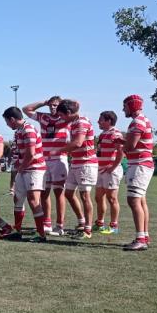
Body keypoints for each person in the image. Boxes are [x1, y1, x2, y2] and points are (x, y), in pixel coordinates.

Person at [23, 95, 68, 235]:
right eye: (51, 105)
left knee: (59, 192)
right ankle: (47, 223)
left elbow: (76, 108)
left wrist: (64, 105)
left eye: (55, 105)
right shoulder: (43, 117)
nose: (52, 107)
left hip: (59, 158)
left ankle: (59, 226)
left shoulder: (65, 118)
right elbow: (26, 109)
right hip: (45, 159)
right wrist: (44, 102)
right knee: (44, 192)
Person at [2, 106, 48, 241]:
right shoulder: (19, 131)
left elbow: (31, 153)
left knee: (33, 200)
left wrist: (21, 167)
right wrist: (18, 165)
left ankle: (41, 235)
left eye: (7, 122)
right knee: (18, 199)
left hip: (34, 169)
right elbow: (21, 153)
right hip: (24, 169)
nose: (7, 125)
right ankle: (17, 231)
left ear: (12, 119)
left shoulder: (28, 129)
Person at [58, 99, 98, 239]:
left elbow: (78, 143)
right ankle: (82, 222)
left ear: (69, 112)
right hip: (76, 163)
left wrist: (58, 151)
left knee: (85, 196)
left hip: (86, 163)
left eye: (62, 115)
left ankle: (87, 230)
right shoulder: (74, 122)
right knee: (68, 193)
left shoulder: (82, 122)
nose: (61, 118)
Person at [122, 94, 154, 251]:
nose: (123, 110)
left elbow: (131, 146)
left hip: (140, 165)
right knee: (140, 201)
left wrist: (121, 145)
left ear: (132, 106)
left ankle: (140, 239)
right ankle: (144, 236)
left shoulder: (137, 122)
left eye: (125, 107)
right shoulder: (143, 120)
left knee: (133, 201)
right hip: (142, 164)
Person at [94, 110, 124, 234]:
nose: (98, 122)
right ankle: (100, 223)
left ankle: (114, 226)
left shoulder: (115, 133)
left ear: (108, 121)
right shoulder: (103, 134)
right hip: (101, 170)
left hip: (111, 171)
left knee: (112, 198)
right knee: (98, 197)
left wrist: (112, 167)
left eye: (101, 120)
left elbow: (121, 152)